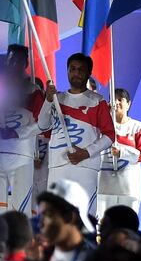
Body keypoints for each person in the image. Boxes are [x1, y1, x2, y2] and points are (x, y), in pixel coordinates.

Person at [37, 53, 114, 219]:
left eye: (81, 70)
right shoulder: (58, 99)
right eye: (72, 69)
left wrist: (86, 153)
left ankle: (86, 245)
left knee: (84, 218)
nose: (76, 73)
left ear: (88, 73)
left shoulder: (96, 100)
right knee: (55, 217)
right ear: (67, 71)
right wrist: (48, 100)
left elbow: (109, 135)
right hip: (58, 166)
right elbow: (42, 126)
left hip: (85, 167)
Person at [0, 56, 42, 216]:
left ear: (25, 64)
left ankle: (21, 240)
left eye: (17, 60)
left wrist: (19, 133)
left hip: (20, 156)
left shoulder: (33, 91)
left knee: (21, 210)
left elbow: (44, 124)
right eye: (11, 60)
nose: (14, 65)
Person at [97, 88, 141, 218]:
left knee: (127, 227)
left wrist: (122, 151)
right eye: (113, 99)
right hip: (104, 187)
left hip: (129, 188)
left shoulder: (138, 127)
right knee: (103, 228)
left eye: (120, 99)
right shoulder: (100, 127)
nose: (116, 102)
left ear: (129, 104)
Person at [37, 179, 97, 261]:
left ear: (69, 217)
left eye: (48, 216)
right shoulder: (40, 258)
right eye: (41, 216)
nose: (40, 224)